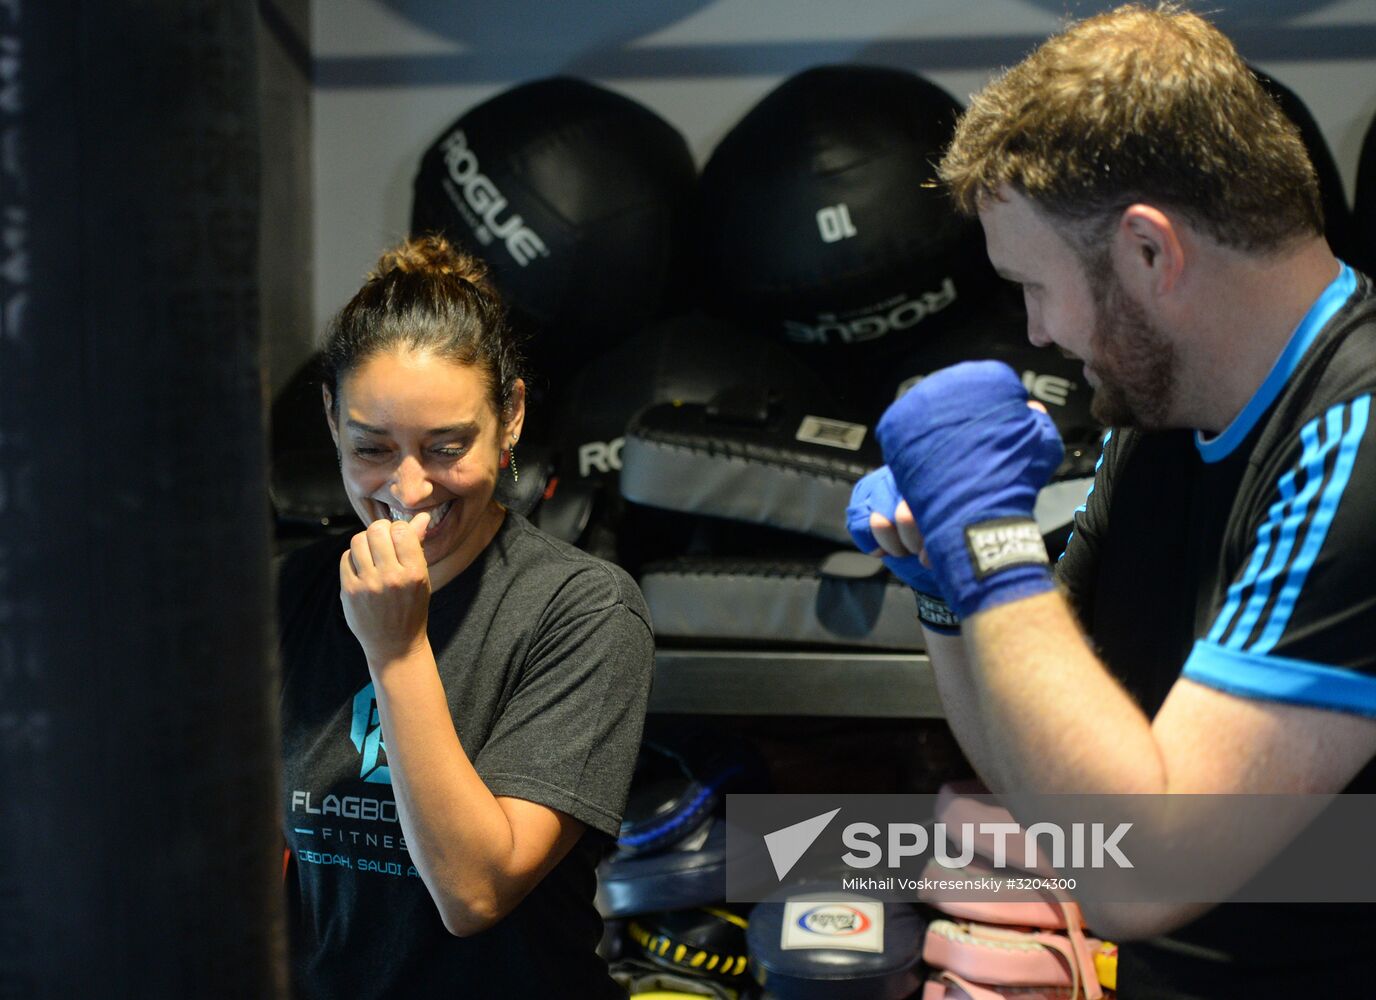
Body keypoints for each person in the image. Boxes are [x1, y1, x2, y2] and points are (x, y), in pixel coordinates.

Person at [848, 5, 1376, 997]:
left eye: (1033, 286)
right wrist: (946, 584)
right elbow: (1041, 773)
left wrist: (991, 534)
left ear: (1147, 252)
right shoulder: (1155, 419)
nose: (1036, 333)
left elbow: (1139, 873)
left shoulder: (1354, 445)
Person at [276, 235, 654, 998]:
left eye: (446, 448)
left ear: (510, 417)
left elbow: (475, 893)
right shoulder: (298, 592)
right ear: (330, 419)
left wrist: (397, 653)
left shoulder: (581, 611)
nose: (409, 489)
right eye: (372, 448)